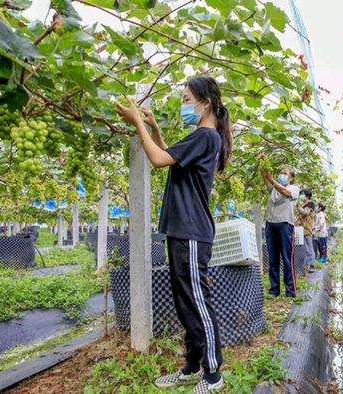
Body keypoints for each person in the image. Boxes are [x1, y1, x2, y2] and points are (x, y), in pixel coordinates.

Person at [115, 76, 231, 393]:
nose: (184, 105)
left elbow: (157, 159)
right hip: (183, 230)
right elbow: (170, 157)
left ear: (205, 103)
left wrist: (137, 119)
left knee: (197, 302)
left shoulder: (206, 137)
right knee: (184, 303)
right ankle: (193, 366)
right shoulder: (199, 138)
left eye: (186, 99)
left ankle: (212, 374)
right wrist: (154, 128)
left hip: (192, 232)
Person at [262, 166, 300, 298]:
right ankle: (274, 290)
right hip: (270, 223)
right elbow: (267, 180)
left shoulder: (294, 188)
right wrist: (263, 166)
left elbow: (284, 191)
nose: (282, 175)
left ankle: (290, 291)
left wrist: (271, 178)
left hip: (285, 225)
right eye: (281, 173)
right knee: (273, 259)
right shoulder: (274, 190)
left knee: (287, 258)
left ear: (291, 178)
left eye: (285, 173)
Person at [296, 189, 316, 273]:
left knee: (308, 247)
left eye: (302, 194)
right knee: (302, 247)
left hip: (307, 229)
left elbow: (306, 213)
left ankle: (311, 265)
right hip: (300, 229)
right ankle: (305, 265)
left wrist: (297, 207)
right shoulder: (303, 204)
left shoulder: (311, 203)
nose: (301, 196)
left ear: (307, 195)